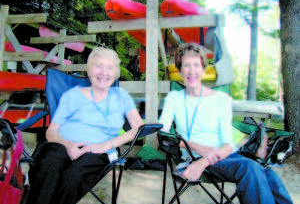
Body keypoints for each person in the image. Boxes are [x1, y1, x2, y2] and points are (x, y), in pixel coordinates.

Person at [159, 43, 293, 204]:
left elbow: (228, 143)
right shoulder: (174, 99)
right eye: (186, 65)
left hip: (223, 156)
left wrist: (205, 161)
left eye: (196, 64)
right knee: (250, 168)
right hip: (195, 156)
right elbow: (164, 136)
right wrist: (198, 149)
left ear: (203, 68)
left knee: (269, 174)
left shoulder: (220, 99)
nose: (191, 70)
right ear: (179, 70)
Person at [27, 47, 143, 204]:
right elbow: (52, 131)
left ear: (115, 73)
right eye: (98, 66)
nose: (104, 72)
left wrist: (105, 146)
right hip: (62, 144)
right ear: (89, 70)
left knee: (73, 176)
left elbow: (139, 128)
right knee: (49, 164)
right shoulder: (73, 95)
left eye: (109, 68)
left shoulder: (121, 97)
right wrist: (68, 145)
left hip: (97, 151)